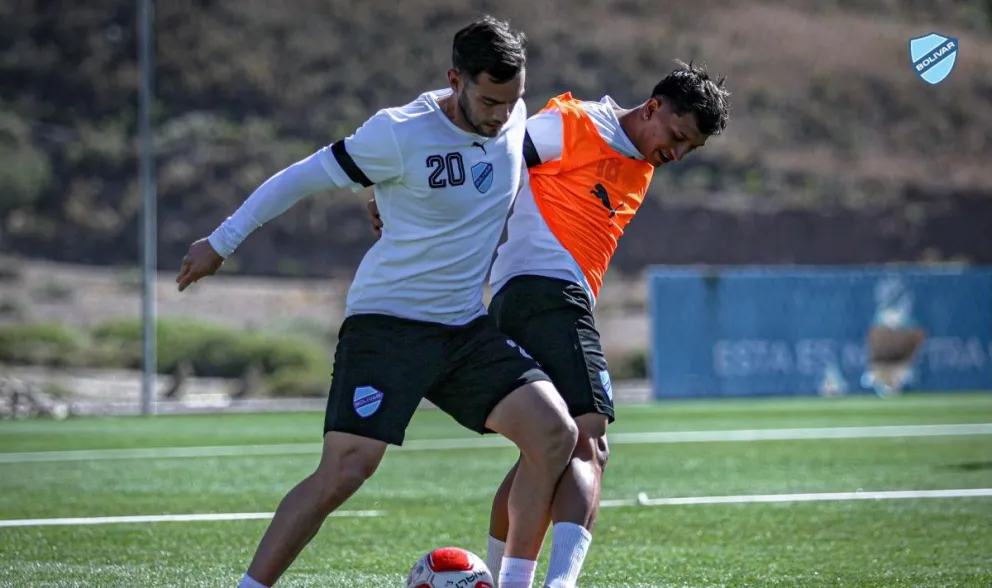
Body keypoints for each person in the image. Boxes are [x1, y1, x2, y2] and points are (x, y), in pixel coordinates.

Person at [176, 16, 578, 588]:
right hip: (388, 325)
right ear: (454, 79)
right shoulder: (398, 132)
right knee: (347, 469)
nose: (500, 115)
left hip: (464, 329)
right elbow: (299, 178)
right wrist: (220, 242)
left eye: (510, 101)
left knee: (554, 434)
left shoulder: (512, 117)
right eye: (489, 100)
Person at [369, 59, 731, 588]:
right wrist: (404, 204)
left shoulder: (641, 162)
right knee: (590, 442)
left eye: (689, 149)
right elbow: (490, 158)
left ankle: (493, 578)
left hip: (532, 297)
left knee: (546, 449)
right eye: (676, 136)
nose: (676, 154)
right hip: (547, 293)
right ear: (652, 108)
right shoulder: (577, 125)